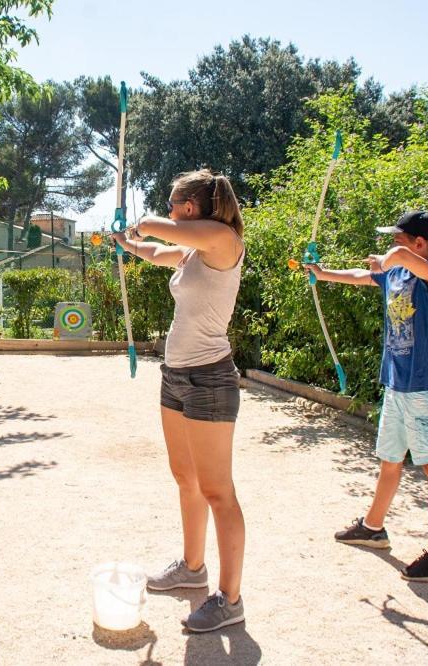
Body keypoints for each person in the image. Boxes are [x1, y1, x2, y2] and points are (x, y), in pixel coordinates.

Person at [112, 169, 247, 633]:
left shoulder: (222, 238)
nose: (170, 209)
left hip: (210, 379)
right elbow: (155, 248)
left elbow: (157, 228)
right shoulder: (193, 250)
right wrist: (127, 243)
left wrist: (140, 223)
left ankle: (230, 599)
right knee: (185, 478)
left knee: (217, 491)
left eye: (174, 203)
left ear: (191, 206)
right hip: (176, 377)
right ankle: (193, 569)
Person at [307, 210, 428, 582]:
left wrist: (390, 258)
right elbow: (364, 276)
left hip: (424, 386)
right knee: (390, 459)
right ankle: (374, 527)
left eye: (399, 238)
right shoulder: (398, 271)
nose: (392, 244)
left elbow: (397, 260)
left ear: (420, 243)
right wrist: (322, 273)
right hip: (397, 382)